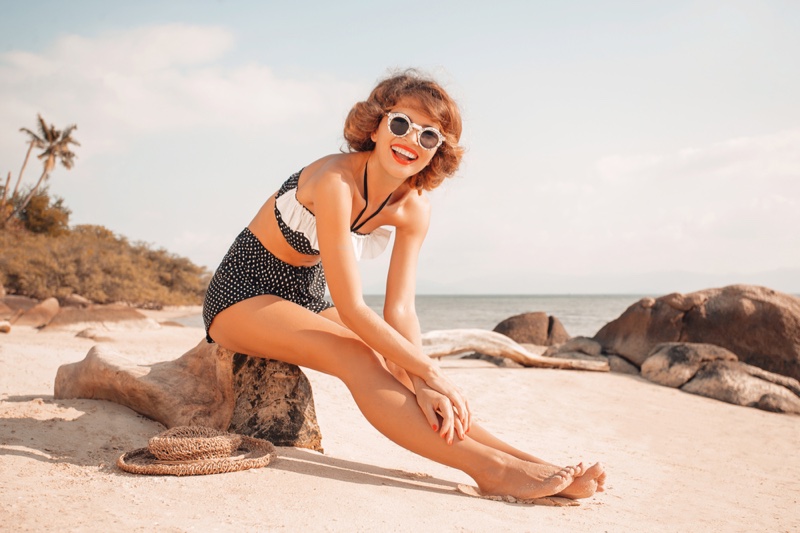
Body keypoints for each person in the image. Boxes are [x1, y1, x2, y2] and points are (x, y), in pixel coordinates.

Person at [203, 69, 606, 501]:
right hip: (243, 292)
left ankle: (527, 461)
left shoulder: (414, 208)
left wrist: (424, 380)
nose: (411, 140)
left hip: (306, 294)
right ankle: (490, 470)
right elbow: (354, 307)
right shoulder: (334, 181)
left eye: (429, 136)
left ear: (438, 152)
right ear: (375, 127)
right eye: (400, 124)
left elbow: (401, 312)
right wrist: (432, 371)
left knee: (396, 358)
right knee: (356, 353)